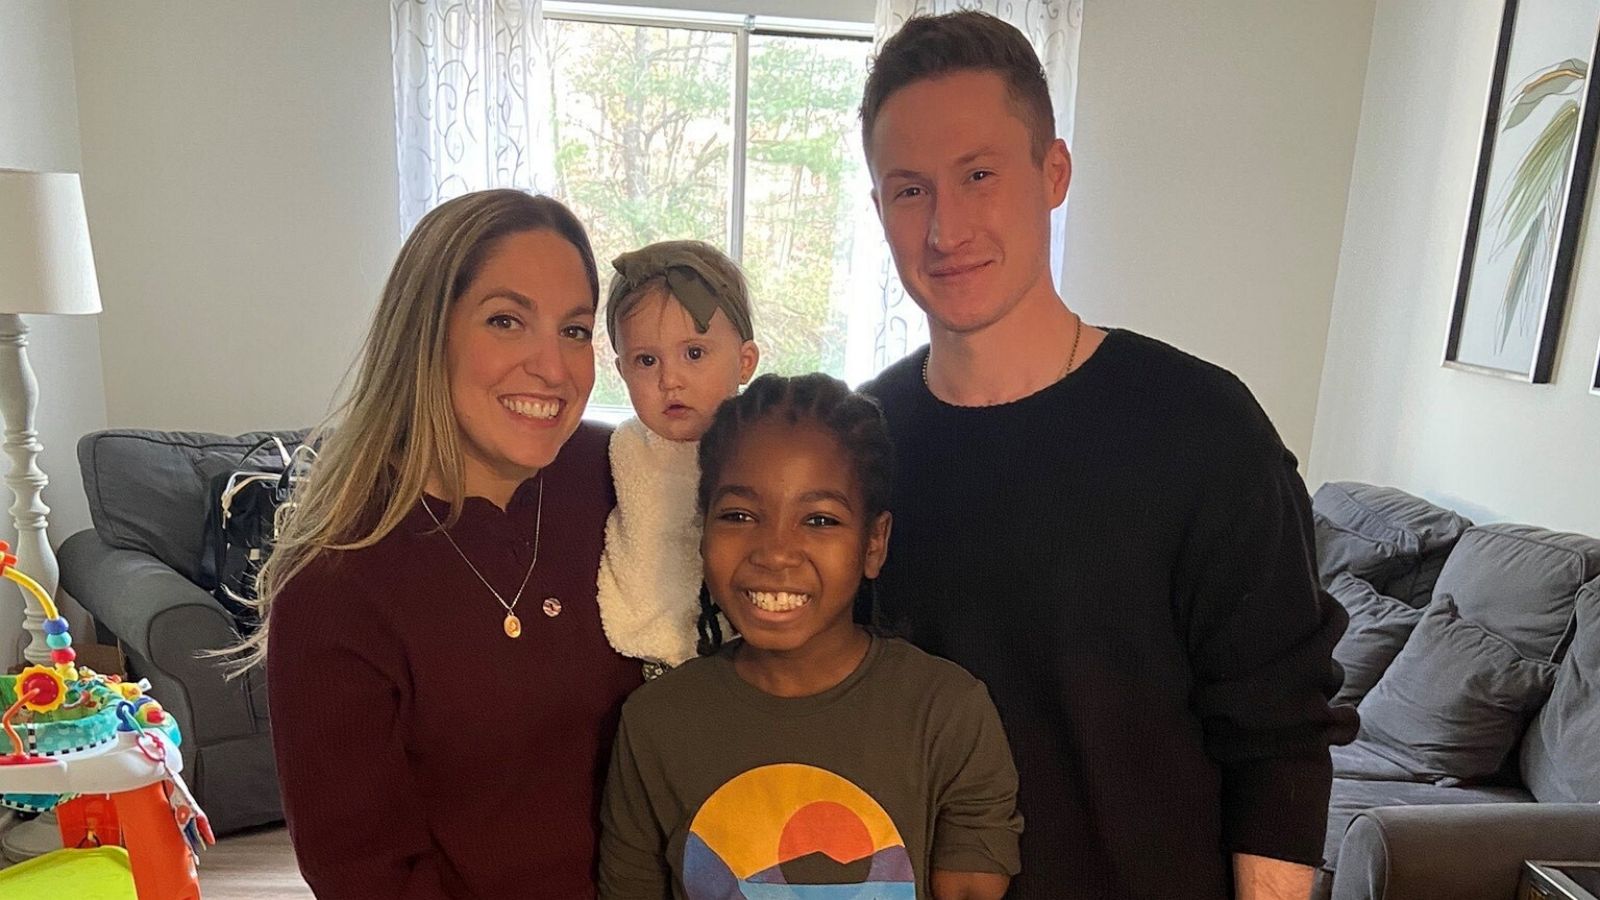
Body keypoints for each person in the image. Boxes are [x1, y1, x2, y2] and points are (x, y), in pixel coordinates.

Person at [856, 12, 1358, 900]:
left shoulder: (1205, 429)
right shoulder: (858, 444)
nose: (946, 227)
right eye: (910, 189)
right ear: (880, 209)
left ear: (1054, 174)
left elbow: (1278, 734)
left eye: (979, 174)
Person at [256, 190, 644, 898]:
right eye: (506, 321)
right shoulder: (336, 583)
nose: (554, 369)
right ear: (426, 334)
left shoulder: (623, 476)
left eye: (576, 331)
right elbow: (368, 873)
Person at [598, 373, 1022, 900]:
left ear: (873, 542)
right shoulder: (653, 725)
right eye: (738, 515)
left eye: (819, 520)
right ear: (702, 530)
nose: (775, 552)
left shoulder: (947, 714)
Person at [595, 240, 759, 678]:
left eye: (694, 353)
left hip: (741, 655)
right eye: (646, 360)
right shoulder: (624, 449)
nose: (670, 380)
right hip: (638, 660)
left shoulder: (759, 448)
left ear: (744, 362)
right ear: (622, 371)